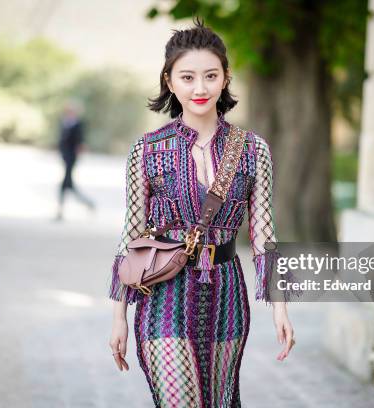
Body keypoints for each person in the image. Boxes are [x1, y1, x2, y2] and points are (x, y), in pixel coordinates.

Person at [108, 18, 296, 407]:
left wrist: (280, 306)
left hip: (227, 296)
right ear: (169, 81)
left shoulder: (252, 149)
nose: (200, 88)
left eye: (210, 76)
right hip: (161, 295)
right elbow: (131, 235)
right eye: (188, 77)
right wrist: (119, 315)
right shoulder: (146, 150)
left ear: (225, 78)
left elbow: (264, 234)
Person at [56, 101, 95, 220]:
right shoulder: (65, 122)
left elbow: (80, 141)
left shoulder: (78, 124)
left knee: (65, 184)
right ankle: (88, 204)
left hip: (71, 157)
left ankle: (60, 211)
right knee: (69, 185)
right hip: (65, 156)